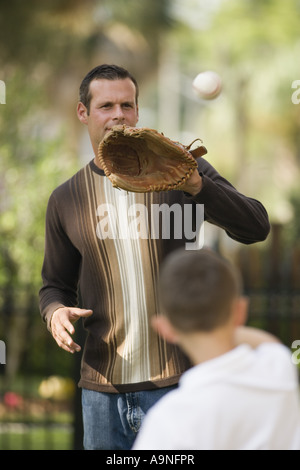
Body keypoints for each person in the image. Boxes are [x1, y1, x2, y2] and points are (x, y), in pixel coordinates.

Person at [39, 64, 271, 450]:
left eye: (127, 105)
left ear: (137, 111)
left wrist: (197, 183)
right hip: (101, 393)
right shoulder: (67, 198)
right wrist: (55, 312)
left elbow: (256, 226)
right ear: (84, 113)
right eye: (106, 106)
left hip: (176, 384)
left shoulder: (180, 172)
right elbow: (54, 286)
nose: (118, 115)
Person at [132, 248, 300, 450]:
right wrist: (222, 328)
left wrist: (190, 327)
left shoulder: (170, 421)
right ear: (240, 310)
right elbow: (267, 342)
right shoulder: (277, 371)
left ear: (164, 328)